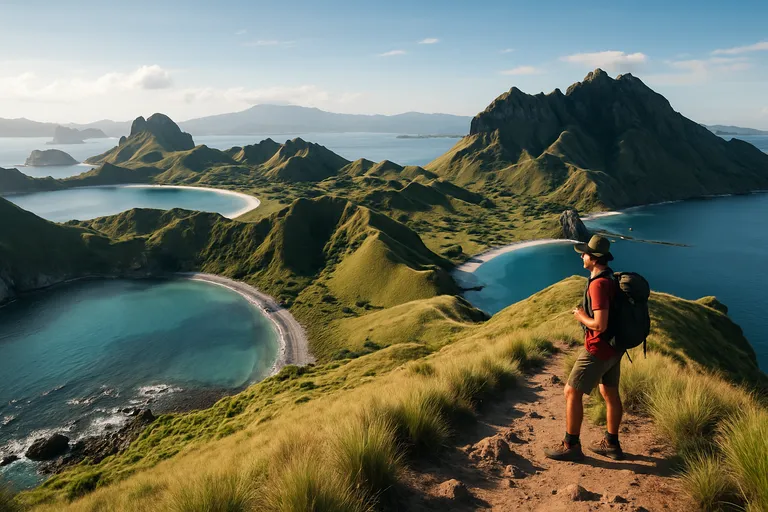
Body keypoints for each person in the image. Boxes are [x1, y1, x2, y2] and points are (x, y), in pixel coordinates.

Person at [544, 235, 625, 462]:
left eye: (585, 253)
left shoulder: (598, 284)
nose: (582, 256)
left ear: (594, 258)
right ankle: (612, 444)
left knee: (571, 391)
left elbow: (600, 324)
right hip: (614, 348)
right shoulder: (609, 277)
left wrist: (580, 316)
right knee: (609, 393)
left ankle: (571, 445)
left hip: (599, 348)